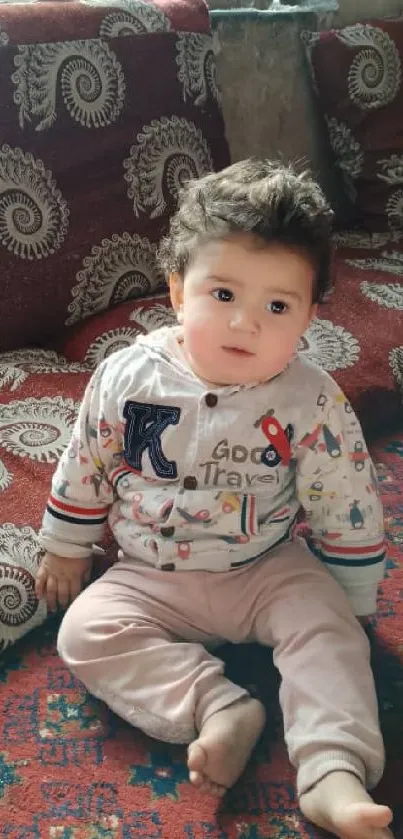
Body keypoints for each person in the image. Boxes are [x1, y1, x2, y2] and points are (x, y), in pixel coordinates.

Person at [35, 160, 393, 839]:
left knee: (326, 631)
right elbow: (87, 455)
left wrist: (348, 598)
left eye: (277, 307)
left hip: (264, 569)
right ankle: (217, 704)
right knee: (83, 631)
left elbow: (343, 494)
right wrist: (65, 543)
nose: (245, 324)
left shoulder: (308, 398)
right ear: (177, 290)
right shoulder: (127, 374)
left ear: (311, 316)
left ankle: (332, 770)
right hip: (148, 574)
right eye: (222, 293)